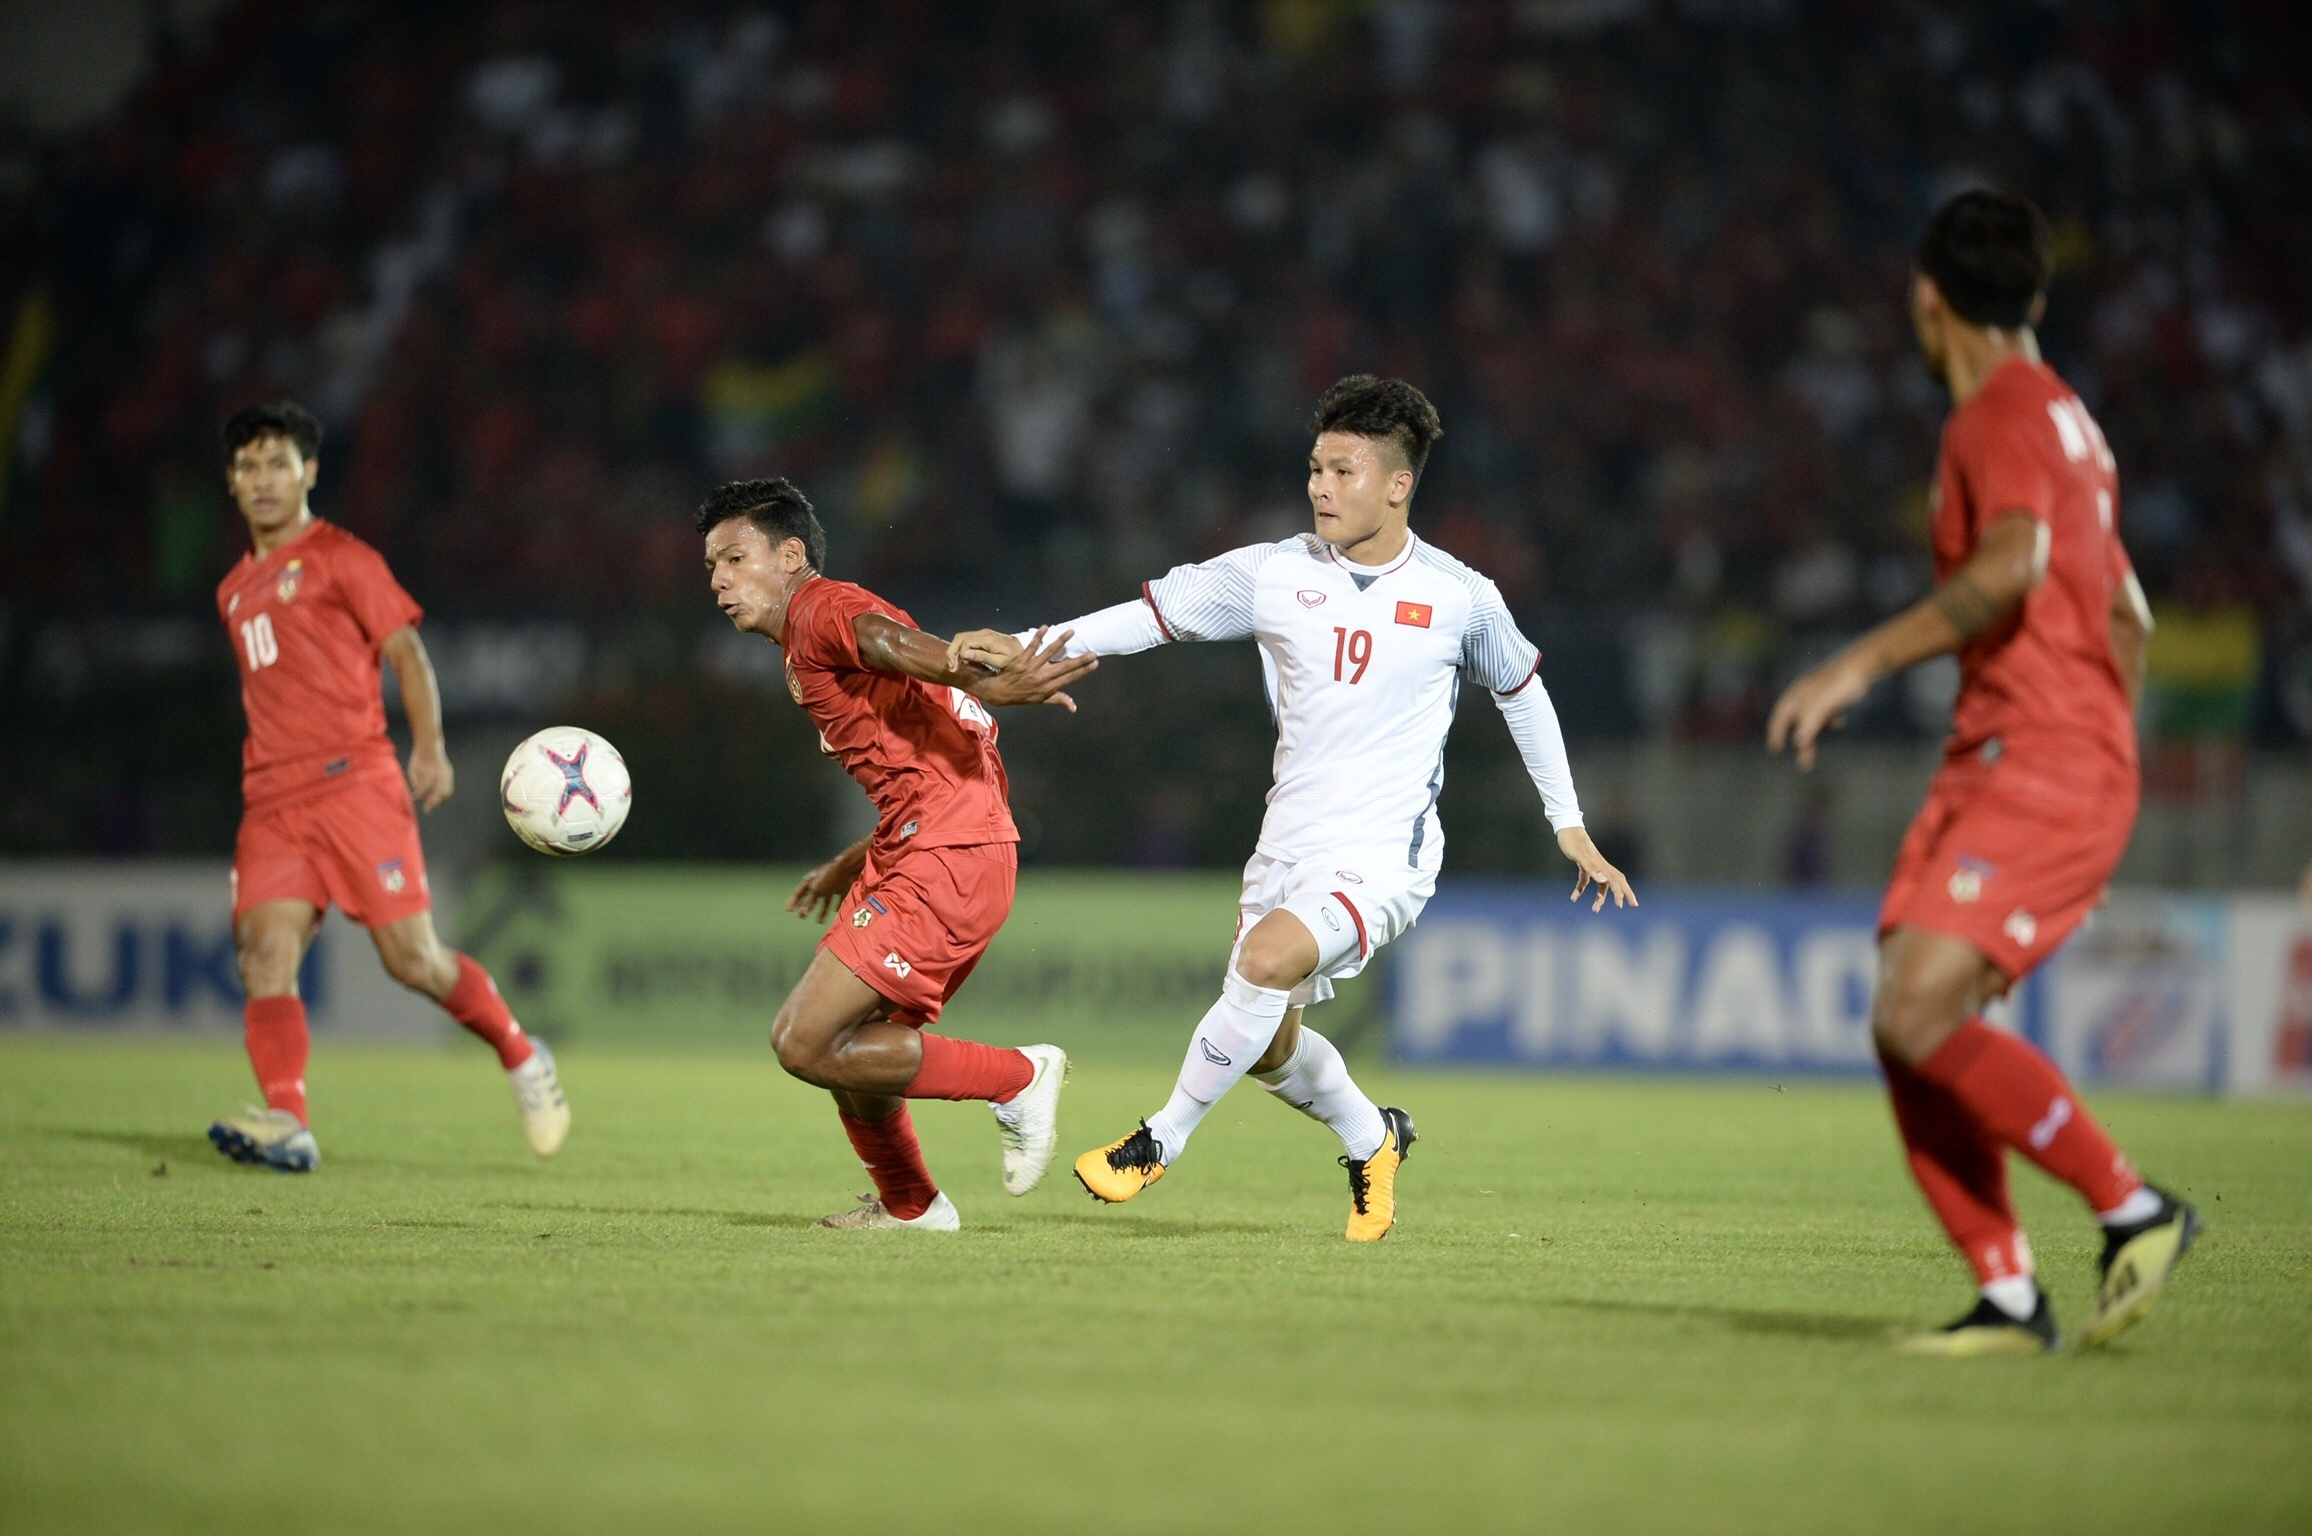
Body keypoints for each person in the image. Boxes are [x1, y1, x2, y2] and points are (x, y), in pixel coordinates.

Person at [951, 376, 1635, 1241]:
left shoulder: (1462, 597)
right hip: (1288, 841)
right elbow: (1145, 619)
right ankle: (1371, 1134)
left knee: (1266, 962)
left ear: (1398, 485)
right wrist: (1030, 646)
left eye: (1344, 471)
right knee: (1268, 1044)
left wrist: (1567, 825)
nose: (1320, 486)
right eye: (1315, 467)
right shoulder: (1270, 574)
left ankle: (1159, 1139)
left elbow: (1524, 692)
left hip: (1388, 853)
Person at [1768, 190, 2197, 1354]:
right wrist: (2103, 783)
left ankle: (2131, 1206)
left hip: (2035, 756)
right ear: (2036, 298)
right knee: (1904, 1019)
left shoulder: (1995, 415)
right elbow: (2129, 614)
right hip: (2041, 758)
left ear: (1924, 298)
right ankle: (2007, 1298)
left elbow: (2009, 567)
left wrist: (1853, 666)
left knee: (1913, 1010)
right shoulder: (2070, 421)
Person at [701, 477, 1094, 1229]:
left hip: (948, 853)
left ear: (789, 556)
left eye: (734, 557)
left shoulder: (819, 607)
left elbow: (884, 639)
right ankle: (911, 1205)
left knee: (802, 1041)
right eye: (711, 567)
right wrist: (852, 862)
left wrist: (952, 659)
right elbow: (921, 753)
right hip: (923, 843)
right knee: (853, 1051)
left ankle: (1018, 1076)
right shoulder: (805, 646)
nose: (719, 580)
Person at [208, 402, 568, 1172]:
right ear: (232, 483)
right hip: (272, 801)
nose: (263, 480)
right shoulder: (234, 587)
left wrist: (430, 749)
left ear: (308, 472)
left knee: (413, 962)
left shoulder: (343, 558)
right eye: (248, 467)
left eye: (279, 464)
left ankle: (520, 1051)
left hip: (354, 786)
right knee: (264, 953)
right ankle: (290, 1123)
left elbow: (406, 652)